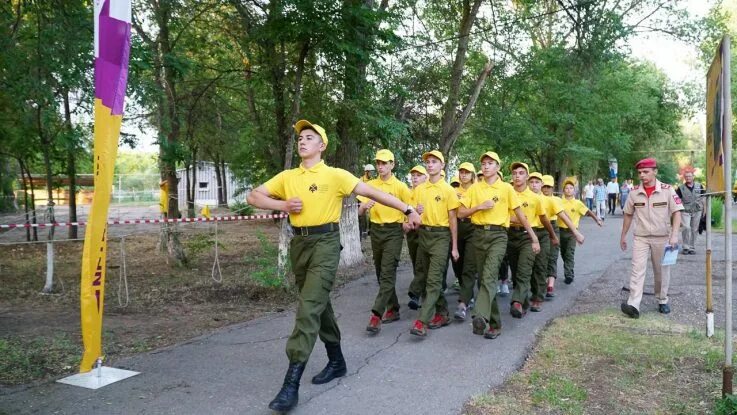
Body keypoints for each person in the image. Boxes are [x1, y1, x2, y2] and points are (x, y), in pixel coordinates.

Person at [246, 120, 421, 412]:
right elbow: (254, 195)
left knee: (308, 307)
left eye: (309, 137)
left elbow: (375, 193)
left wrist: (408, 208)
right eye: (300, 137)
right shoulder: (288, 177)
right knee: (319, 304)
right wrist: (283, 206)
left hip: (326, 243)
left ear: (321, 145)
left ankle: (291, 385)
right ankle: (337, 360)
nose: (302, 141)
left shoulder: (336, 175)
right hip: (299, 245)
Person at [458, 152, 537, 339]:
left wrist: (533, 237)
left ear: (497, 167)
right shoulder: (475, 189)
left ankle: (480, 315)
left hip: (499, 235)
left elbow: (520, 214)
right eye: (483, 163)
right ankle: (494, 324)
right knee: (483, 281)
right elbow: (460, 213)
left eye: (490, 163)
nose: (486, 166)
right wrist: (478, 207)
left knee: (489, 276)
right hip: (478, 234)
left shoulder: (506, 189)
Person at [359, 149, 413, 334]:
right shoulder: (370, 185)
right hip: (376, 231)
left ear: (392, 164)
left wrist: (407, 223)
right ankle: (393, 308)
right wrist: (364, 206)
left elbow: (411, 209)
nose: (380, 166)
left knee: (388, 271)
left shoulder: (400, 186)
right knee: (380, 272)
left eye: (384, 163)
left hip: (393, 232)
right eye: (378, 163)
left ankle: (376, 315)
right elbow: (359, 211)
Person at [620, 158, 683, 319]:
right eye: (640, 172)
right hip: (641, 237)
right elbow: (628, 215)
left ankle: (662, 300)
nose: (642, 175)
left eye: (646, 172)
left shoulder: (667, 190)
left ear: (655, 171)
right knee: (637, 270)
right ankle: (633, 304)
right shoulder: (634, 192)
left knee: (661, 271)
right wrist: (623, 236)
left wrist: (674, 235)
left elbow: (677, 212)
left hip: (662, 238)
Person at [408, 150, 460, 337]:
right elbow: (412, 214)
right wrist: (416, 211)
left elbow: (453, 220)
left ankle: (421, 321)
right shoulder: (419, 189)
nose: (430, 165)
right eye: (428, 162)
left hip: (441, 236)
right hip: (423, 235)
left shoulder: (448, 191)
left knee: (434, 280)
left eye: (434, 162)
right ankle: (443, 313)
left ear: (442, 165)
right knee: (425, 276)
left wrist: (454, 246)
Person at [507, 162, 548, 317]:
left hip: (528, 236)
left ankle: (517, 301)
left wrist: (551, 235)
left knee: (525, 271)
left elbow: (543, 218)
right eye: (515, 173)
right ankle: (522, 303)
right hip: (510, 235)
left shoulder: (535, 198)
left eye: (521, 173)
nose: (517, 176)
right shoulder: (507, 193)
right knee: (516, 270)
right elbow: (502, 215)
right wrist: (516, 219)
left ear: (527, 176)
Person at [540, 175, 585, 296]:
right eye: (544, 186)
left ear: (552, 187)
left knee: (555, 256)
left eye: (548, 187)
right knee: (542, 256)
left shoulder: (556, 200)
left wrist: (576, 232)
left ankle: (552, 284)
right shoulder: (536, 199)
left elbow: (564, 216)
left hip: (555, 228)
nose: (546, 189)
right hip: (539, 228)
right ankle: (541, 281)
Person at [559, 179, 602, 285]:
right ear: (563, 190)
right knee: (563, 254)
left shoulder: (578, 203)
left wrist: (597, 219)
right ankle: (569, 270)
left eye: (571, 188)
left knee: (569, 253)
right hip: (560, 231)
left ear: (574, 191)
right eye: (566, 188)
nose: (568, 190)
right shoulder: (559, 202)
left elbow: (588, 212)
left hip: (572, 233)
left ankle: (568, 274)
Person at [452, 162, 478, 321]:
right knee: (457, 265)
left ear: (472, 175)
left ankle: (463, 304)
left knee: (469, 266)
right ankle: (467, 293)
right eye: (461, 172)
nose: (463, 175)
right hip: (455, 229)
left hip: (473, 228)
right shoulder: (452, 191)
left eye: (467, 172)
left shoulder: (478, 190)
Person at [406, 165, 428, 310]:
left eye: (418, 175)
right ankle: (421, 293)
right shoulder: (407, 193)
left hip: (426, 232)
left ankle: (420, 294)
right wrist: (404, 223)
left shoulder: (428, 191)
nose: (415, 177)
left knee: (423, 263)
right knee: (416, 263)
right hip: (411, 232)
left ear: (425, 177)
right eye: (413, 175)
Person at [676, 170, 704, 255]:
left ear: (693, 177)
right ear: (684, 178)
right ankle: (685, 247)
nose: (688, 178)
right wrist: (678, 211)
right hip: (685, 210)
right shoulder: (680, 188)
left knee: (694, 229)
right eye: (686, 176)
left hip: (697, 210)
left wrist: (705, 211)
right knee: (686, 227)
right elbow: (677, 200)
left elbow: (704, 199)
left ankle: (692, 247)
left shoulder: (700, 186)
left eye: (690, 176)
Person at [359, 164, 376, 237]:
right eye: (370, 172)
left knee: (371, 215)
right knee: (363, 216)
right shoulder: (360, 180)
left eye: (373, 172)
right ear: (366, 172)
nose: (372, 174)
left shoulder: (373, 180)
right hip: (362, 199)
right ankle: (363, 231)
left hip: (370, 199)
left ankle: (370, 230)